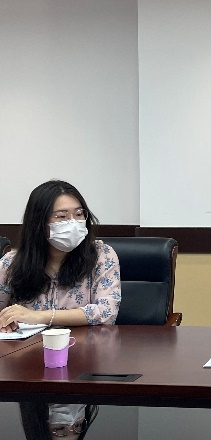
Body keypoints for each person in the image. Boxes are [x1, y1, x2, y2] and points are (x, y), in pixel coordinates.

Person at [0, 180, 120, 439]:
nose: (74, 223)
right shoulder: (11, 263)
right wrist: (5, 319)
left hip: (84, 364)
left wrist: (39, 316)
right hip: (27, 369)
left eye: (79, 214)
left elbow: (106, 311)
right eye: (62, 216)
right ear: (39, 222)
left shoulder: (101, 255)